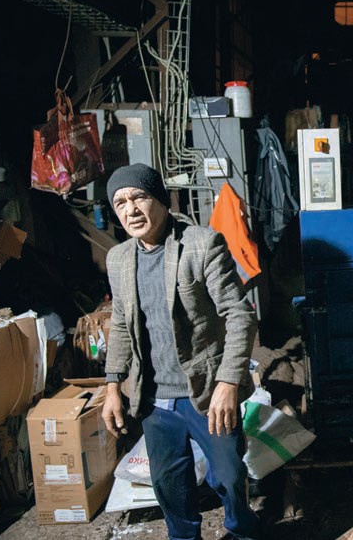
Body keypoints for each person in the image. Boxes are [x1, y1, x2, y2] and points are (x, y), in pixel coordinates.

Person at [101, 163, 262, 540]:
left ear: (160, 199)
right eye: (121, 203)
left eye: (139, 197)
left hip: (206, 393)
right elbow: (121, 323)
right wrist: (112, 386)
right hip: (155, 400)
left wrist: (228, 383)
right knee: (170, 487)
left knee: (229, 477)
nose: (131, 209)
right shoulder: (118, 259)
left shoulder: (201, 244)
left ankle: (243, 532)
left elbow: (240, 314)